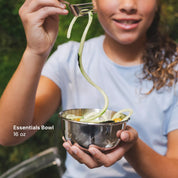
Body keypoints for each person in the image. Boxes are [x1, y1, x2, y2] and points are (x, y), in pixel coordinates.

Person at [0, 0, 178, 177]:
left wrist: (131, 147)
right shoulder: (68, 60)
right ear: (94, 2)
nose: (128, 5)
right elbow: (10, 132)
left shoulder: (174, 69)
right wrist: (35, 52)